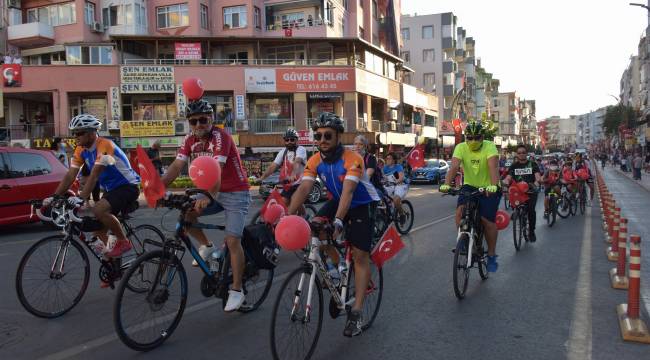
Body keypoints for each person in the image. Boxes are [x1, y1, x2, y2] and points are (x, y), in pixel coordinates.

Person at [288, 112, 380, 337]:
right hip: (338, 201)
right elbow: (304, 189)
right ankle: (339, 269)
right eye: (317, 136)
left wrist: (338, 222)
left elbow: (349, 192)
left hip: (361, 204)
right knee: (316, 228)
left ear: (338, 136)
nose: (322, 140)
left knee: (359, 256)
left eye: (327, 135)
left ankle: (356, 313)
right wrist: (287, 217)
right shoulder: (315, 160)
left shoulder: (352, 159)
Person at [160, 99, 251, 312]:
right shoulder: (189, 140)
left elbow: (216, 170)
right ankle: (208, 247)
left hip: (236, 192)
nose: (199, 124)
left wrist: (209, 197)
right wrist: (156, 188)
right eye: (194, 121)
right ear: (189, 123)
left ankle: (237, 290)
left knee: (232, 240)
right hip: (212, 190)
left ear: (211, 119)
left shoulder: (221, 137)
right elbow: (176, 166)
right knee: (187, 217)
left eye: (203, 119)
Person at [45, 114, 141, 285]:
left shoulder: (105, 145)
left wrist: (81, 198)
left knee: (98, 210)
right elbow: (70, 175)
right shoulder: (80, 150)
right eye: (74, 134)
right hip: (112, 190)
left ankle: (123, 241)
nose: (76, 137)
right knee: (97, 235)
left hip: (128, 186)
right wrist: (55, 196)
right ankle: (113, 268)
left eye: (79, 133)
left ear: (91, 133)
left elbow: (95, 174)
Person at [440, 121, 501, 272]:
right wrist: (447, 184)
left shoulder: (489, 146)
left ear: (483, 138)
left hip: (489, 187)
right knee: (460, 212)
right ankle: (464, 241)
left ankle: (492, 255)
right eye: (469, 137)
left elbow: (493, 167)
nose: (473, 141)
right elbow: (454, 167)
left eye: (477, 137)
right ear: (466, 138)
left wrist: (493, 186)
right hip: (469, 186)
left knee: (487, 221)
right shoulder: (460, 147)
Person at [259, 128, 307, 208]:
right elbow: (273, 166)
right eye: (287, 140)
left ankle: (304, 217)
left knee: (295, 203)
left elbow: (297, 162)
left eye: (292, 139)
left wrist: (293, 174)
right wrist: (262, 178)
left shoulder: (301, 149)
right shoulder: (283, 152)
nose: (289, 142)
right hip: (288, 183)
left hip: (300, 182)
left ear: (296, 140)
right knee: (284, 203)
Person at [504, 144, 542, 242]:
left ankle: (532, 231)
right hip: (518, 192)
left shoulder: (532, 164)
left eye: (523, 153)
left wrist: (536, 184)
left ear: (526, 154)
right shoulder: (514, 166)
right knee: (511, 197)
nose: (521, 154)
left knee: (531, 210)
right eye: (519, 153)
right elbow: (508, 178)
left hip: (531, 191)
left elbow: (538, 177)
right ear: (517, 154)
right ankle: (516, 212)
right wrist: (504, 183)